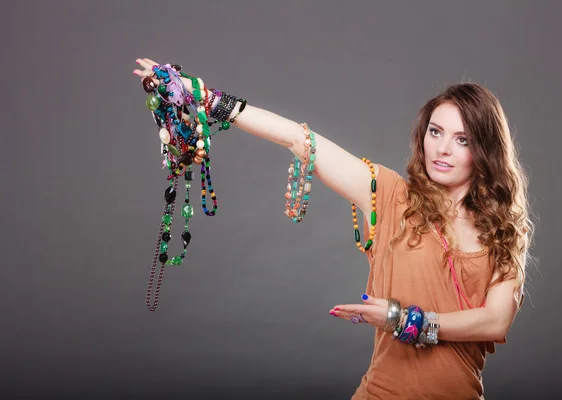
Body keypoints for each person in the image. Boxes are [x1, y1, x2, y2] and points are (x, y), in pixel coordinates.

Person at [133, 58, 533, 399]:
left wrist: (405, 320)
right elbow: (299, 138)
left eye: (461, 139)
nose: (442, 148)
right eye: (435, 131)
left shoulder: (505, 230)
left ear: (484, 150)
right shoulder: (391, 196)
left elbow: (495, 321)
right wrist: (200, 95)